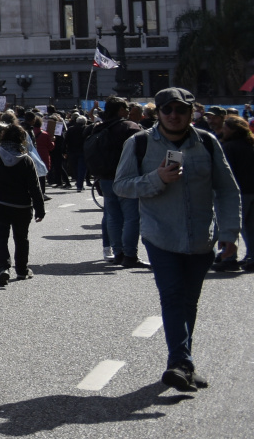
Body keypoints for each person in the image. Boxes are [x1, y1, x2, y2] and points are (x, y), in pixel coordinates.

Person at [111, 87, 242, 392]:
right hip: (161, 236)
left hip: (200, 238)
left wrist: (229, 235)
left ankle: (184, 363)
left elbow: (227, 189)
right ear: (157, 113)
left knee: (189, 301)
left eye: (180, 110)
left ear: (191, 112)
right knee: (172, 297)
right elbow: (121, 186)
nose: (173, 115)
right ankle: (179, 362)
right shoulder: (140, 143)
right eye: (167, 110)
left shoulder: (207, 142)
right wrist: (157, 178)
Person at [0, 122, 46, 286]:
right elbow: (35, 187)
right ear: (21, 140)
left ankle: (3, 269)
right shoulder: (26, 159)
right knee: (21, 238)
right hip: (21, 205)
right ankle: (22, 270)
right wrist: (40, 209)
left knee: (0, 237)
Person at [87, 97, 144, 266]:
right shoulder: (130, 127)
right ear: (119, 110)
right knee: (132, 217)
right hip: (127, 177)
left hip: (105, 177)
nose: (128, 111)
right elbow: (142, 153)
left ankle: (117, 252)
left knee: (112, 216)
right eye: (126, 108)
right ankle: (130, 255)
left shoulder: (98, 127)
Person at [220, 114, 254, 272]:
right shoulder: (250, 144)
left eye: (225, 127)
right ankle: (252, 257)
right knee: (250, 226)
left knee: (231, 224)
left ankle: (229, 258)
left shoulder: (228, 147)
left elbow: (226, 172)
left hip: (238, 191)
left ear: (233, 130)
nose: (223, 130)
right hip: (251, 190)